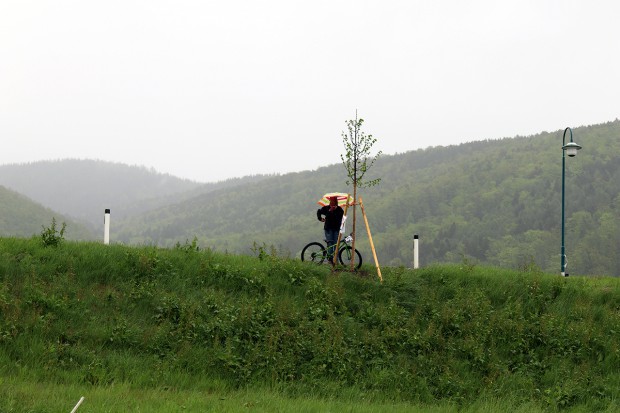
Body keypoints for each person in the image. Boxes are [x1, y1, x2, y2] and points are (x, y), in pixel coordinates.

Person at [316, 196, 344, 261]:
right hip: (328, 229)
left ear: (336, 202)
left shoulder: (339, 209)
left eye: (334, 202)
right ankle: (330, 260)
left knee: (336, 245)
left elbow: (341, 218)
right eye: (331, 201)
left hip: (337, 229)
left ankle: (335, 261)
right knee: (330, 244)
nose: (332, 203)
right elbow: (319, 211)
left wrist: (334, 211)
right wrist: (320, 218)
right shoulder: (326, 208)